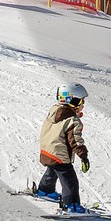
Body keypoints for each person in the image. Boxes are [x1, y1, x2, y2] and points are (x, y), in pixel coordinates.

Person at [35, 83, 91, 212]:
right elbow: (75, 141)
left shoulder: (54, 111)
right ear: (74, 101)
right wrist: (83, 156)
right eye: (82, 101)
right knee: (70, 180)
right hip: (59, 153)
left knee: (53, 169)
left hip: (47, 151)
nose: (84, 105)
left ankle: (45, 190)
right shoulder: (73, 121)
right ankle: (72, 205)